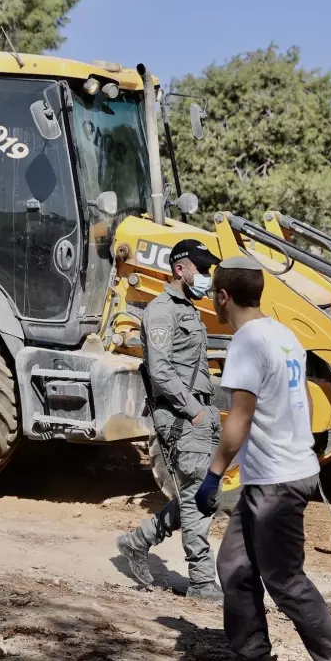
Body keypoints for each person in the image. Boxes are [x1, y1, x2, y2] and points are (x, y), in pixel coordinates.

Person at [190, 256, 331, 661]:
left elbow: (240, 418)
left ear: (222, 296)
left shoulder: (247, 342)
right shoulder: (283, 334)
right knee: (233, 564)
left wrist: (213, 475)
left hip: (277, 483)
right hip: (273, 477)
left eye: (214, 293)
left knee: (286, 581)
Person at [116, 239, 223, 601]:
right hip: (181, 415)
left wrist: (205, 413)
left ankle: (137, 540)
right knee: (196, 495)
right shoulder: (162, 311)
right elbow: (160, 371)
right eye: (202, 268)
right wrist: (193, 411)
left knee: (203, 496)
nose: (207, 275)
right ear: (181, 269)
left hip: (199, 414)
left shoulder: (188, 308)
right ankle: (203, 582)